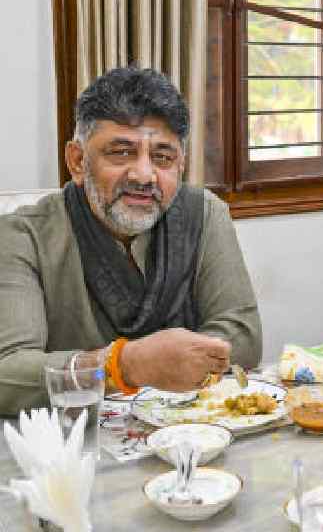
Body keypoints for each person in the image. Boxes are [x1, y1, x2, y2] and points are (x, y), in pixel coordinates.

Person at [0, 67, 262, 415]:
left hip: (189, 429)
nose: (143, 175)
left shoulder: (204, 214)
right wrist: (122, 365)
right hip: (76, 442)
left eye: (162, 157)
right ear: (77, 162)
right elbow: (7, 373)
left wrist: (174, 362)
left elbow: (243, 338)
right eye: (121, 152)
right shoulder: (23, 235)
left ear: (180, 165)